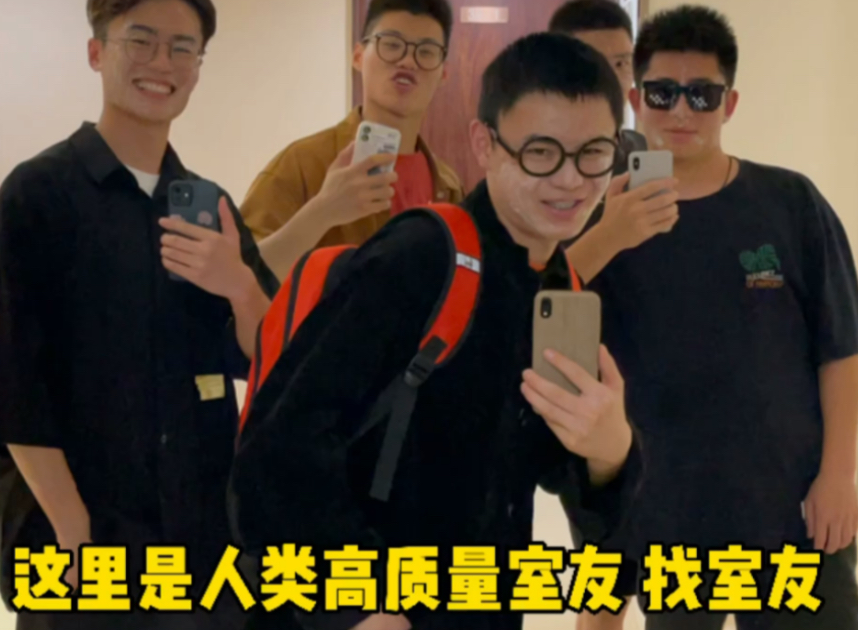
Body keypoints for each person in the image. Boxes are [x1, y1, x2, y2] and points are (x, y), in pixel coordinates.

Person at [228, 33, 641, 630]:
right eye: (541, 153)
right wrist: (360, 608)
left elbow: (550, 471)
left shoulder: (559, 287)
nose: (572, 180)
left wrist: (612, 452)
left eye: (593, 154)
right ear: (485, 144)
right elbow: (275, 455)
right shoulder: (421, 256)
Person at [0, 1, 275, 628]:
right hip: (79, 527)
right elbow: (8, 380)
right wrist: (73, 529)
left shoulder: (210, 208)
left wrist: (239, 284)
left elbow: (269, 353)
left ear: (198, 67)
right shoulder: (37, 196)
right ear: (97, 52)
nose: (161, 62)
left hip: (198, 529)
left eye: (182, 47)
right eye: (140, 41)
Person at [567, 6, 858, 630]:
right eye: (663, 93)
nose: (681, 111)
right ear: (636, 100)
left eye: (702, 95)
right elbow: (548, 319)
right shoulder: (605, 219)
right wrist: (606, 236)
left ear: (729, 105)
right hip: (668, 509)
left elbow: (840, 348)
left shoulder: (790, 203)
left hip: (791, 506)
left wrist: (839, 475)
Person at [241, 0, 464, 281]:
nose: (408, 62)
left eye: (427, 51)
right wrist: (323, 212)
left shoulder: (449, 186)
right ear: (358, 56)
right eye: (392, 44)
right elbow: (240, 277)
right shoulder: (301, 164)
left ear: (443, 73)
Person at [548, 0, 679, 251]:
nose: (612, 80)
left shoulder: (641, 150)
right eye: (592, 65)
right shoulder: (533, 162)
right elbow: (520, 277)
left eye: (621, 64)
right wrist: (609, 237)